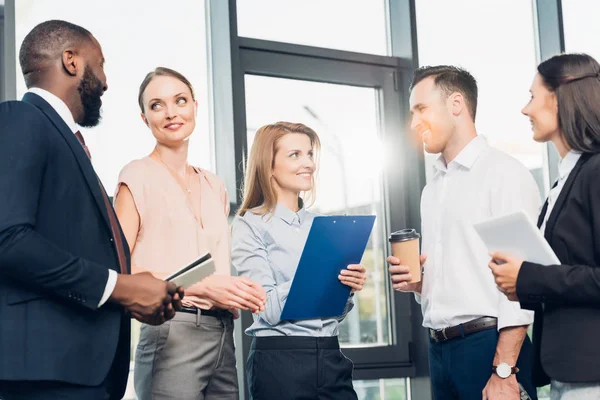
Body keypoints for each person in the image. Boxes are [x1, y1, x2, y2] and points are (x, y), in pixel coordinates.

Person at [0, 20, 183, 400]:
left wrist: (130, 296)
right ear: (71, 61)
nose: (105, 80)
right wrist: (120, 287)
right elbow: (8, 238)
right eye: (100, 64)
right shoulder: (19, 118)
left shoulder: (67, 140)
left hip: (84, 372)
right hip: (47, 375)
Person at [387, 65, 540, 400]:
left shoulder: (503, 174)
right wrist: (419, 283)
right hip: (440, 351)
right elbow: (459, 277)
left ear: (456, 104)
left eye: (421, 109)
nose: (413, 123)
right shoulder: (433, 188)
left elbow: (525, 286)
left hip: (489, 350)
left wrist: (504, 370)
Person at [113, 66, 266, 400]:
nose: (171, 113)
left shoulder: (214, 184)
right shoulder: (136, 176)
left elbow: (210, 262)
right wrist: (205, 285)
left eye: (180, 100)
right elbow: (119, 271)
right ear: (144, 118)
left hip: (223, 330)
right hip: (172, 331)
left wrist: (238, 290)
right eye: (157, 105)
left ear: (195, 106)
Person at [490, 53, 600, 400]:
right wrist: (522, 285)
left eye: (532, 96)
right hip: (566, 373)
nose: (526, 110)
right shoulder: (563, 182)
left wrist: (528, 277)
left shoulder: (596, 172)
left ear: (559, 98)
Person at [231, 122, 367, 400]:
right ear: (268, 166)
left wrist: (346, 288)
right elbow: (265, 308)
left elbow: (334, 312)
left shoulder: (322, 225)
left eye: (309, 154)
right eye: (295, 155)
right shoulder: (250, 225)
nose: (308, 164)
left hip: (331, 354)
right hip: (281, 361)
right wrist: (316, 276)